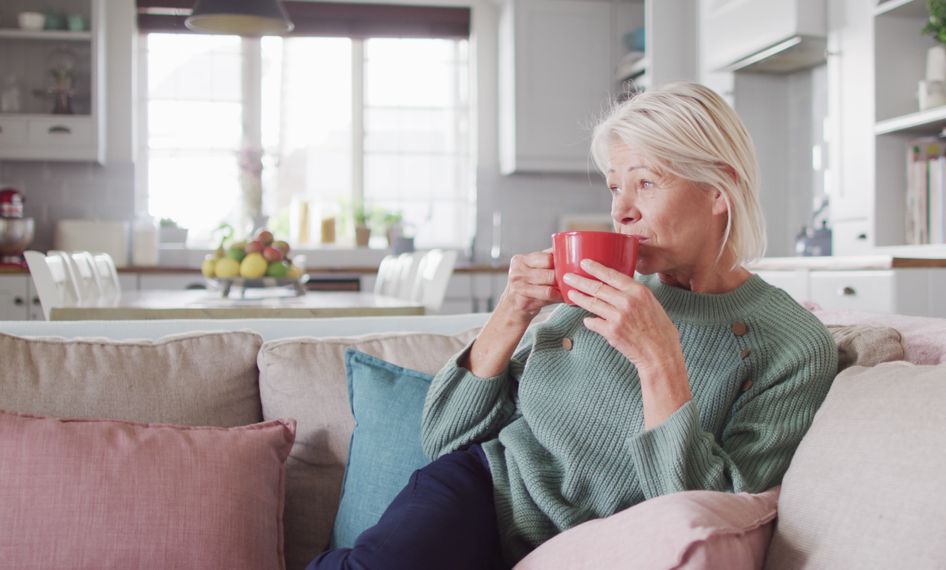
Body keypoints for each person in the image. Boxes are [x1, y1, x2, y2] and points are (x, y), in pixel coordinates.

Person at [308, 82, 838, 570]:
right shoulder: (597, 291)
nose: (620, 211)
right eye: (614, 188)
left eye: (646, 182)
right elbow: (446, 436)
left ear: (719, 190)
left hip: (593, 546)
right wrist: (513, 309)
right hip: (487, 489)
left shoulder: (793, 346)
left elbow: (705, 511)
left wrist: (659, 359)